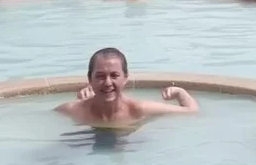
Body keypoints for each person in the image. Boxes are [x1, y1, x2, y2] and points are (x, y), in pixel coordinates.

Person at [55, 48, 199, 127]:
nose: (107, 82)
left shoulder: (138, 110)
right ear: (89, 79)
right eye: (100, 76)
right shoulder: (74, 110)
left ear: (125, 78)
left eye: (114, 75)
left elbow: (191, 111)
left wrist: (181, 93)